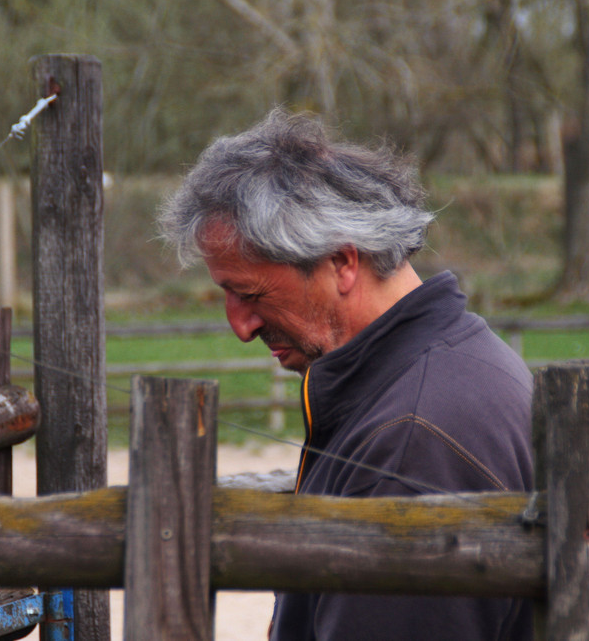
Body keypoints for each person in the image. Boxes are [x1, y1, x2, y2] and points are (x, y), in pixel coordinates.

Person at [158, 108, 533, 641]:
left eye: (250, 294)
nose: (240, 327)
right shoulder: (451, 366)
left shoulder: (410, 435)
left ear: (342, 263)